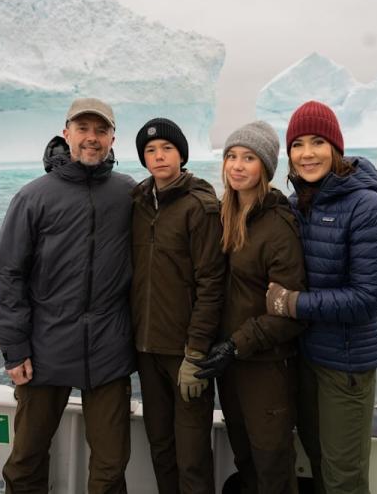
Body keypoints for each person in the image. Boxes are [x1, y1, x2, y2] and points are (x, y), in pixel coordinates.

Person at [0, 97, 137, 494]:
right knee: (26, 459)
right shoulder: (34, 197)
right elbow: (8, 275)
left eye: (101, 130)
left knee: (110, 466)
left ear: (112, 138)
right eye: (83, 129)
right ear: (66, 133)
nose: (92, 138)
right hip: (45, 347)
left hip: (108, 348)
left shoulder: (129, 194)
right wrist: (15, 349)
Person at [265, 100, 377, 494]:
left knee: (343, 478)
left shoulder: (367, 208)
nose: (307, 154)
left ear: (336, 148)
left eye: (318, 142)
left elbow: (371, 297)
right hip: (306, 359)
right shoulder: (297, 206)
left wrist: (293, 304)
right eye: (297, 144)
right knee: (318, 465)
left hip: (346, 367)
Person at [193, 120, 307, 494]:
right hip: (231, 365)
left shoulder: (278, 225)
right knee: (245, 458)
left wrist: (236, 343)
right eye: (231, 156)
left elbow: (288, 312)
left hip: (265, 366)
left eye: (249, 158)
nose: (237, 165)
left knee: (271, 462)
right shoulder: (224, 214)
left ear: (266, 168)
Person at [130, 118, 226, 494]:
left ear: (182, 154)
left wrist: (197, 351)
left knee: (192, 457)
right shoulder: (137, 203)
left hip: (185, 353)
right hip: (146, 350)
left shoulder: (200, 207)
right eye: (150, 151)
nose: (159, 156)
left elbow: (211, 284)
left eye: (166, 149)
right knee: (161, 448)